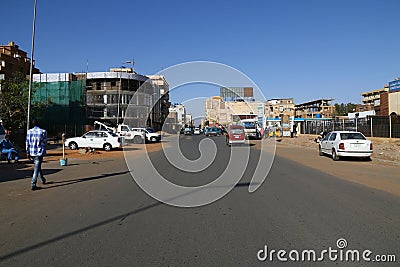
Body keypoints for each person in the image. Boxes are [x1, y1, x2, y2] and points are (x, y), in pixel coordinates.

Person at [26, 119, 47, 191]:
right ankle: (33, 183)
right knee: (36, 167)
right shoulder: (43, 131)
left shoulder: (29, 132)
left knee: (37, 165)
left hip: (32, 152)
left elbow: (27, 142)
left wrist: (27, 152)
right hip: (39, 152)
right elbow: (45, 142)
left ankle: (42, 179)